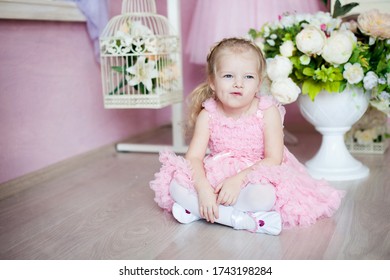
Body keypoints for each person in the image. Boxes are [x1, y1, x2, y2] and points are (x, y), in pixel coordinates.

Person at [150, 37, 344, 235]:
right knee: (175, 183)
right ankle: (235, 218)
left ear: (259, 83)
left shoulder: (267, 111)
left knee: (266, 196)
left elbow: (273, 159)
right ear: (213, 82)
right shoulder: (208, 114)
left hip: (256, 172)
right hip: (216, 174)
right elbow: (193, 158)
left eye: (248, 77)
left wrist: (238, 180)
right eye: (228, 76)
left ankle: (199, 209)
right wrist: (203, 189)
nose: (238, 84)